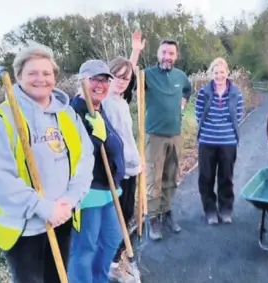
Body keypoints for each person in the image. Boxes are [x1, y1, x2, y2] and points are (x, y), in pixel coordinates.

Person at [0, 42, 95, 283]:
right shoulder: (2, 121)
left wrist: (70, 199)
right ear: (18, 76)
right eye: (32, 73)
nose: (40, 79)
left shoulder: (67, 114)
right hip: (24, 229)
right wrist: (45, 209)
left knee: (58, 278)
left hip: (62, 217)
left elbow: (85, 159)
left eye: (46, 73)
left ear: (54, 76)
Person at [67, 59, 126, 283]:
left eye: (104, 80)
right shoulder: (74, 112)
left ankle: (99, 278)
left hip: (108, 189)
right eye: (94, 79)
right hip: (88, 192)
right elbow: (76, 154)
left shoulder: (99, 109)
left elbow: (110, 145)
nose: (100, 85)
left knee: (112, 238)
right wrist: (97, 138)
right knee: (85, 248)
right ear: (82, 81)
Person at [102, 31, 145, 282]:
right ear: (108, 77)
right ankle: (115, 261)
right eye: (116, 77)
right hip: (118, 168)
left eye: (125, 78)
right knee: (119, 214)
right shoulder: (106, 98)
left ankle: (117, 258)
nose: (121, 81)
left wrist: (135, 52)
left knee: (127, 212)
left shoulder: (120, 98)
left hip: (132, 165)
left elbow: (129, 71)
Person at [143, 39, 192, 240]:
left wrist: (182, 104)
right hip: (154, 135)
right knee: (153, 178)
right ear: (158, 53)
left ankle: (166, 211)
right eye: (164, 52)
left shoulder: (181, 76)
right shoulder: (147, 75)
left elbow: (188, 90)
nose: (167, 57)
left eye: (171, 53)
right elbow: (127, 81)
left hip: (175, 134)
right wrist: (135, 52)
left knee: (171, 177)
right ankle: (152, 218)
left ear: (176, 56)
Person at [195, 57, 244, 225]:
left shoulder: (236, 93)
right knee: (206, 177)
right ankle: (210, 210)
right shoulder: (204, 92)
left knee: (226, 177)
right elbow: (198, 114)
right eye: (216, 72)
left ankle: (225, 209)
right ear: (212, 74)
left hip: (228, 142)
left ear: (227, 73)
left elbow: (238, 115)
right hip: (207, 141)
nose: (219, 75)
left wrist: (226, 130)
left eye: (222, 72)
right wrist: (210, 129)